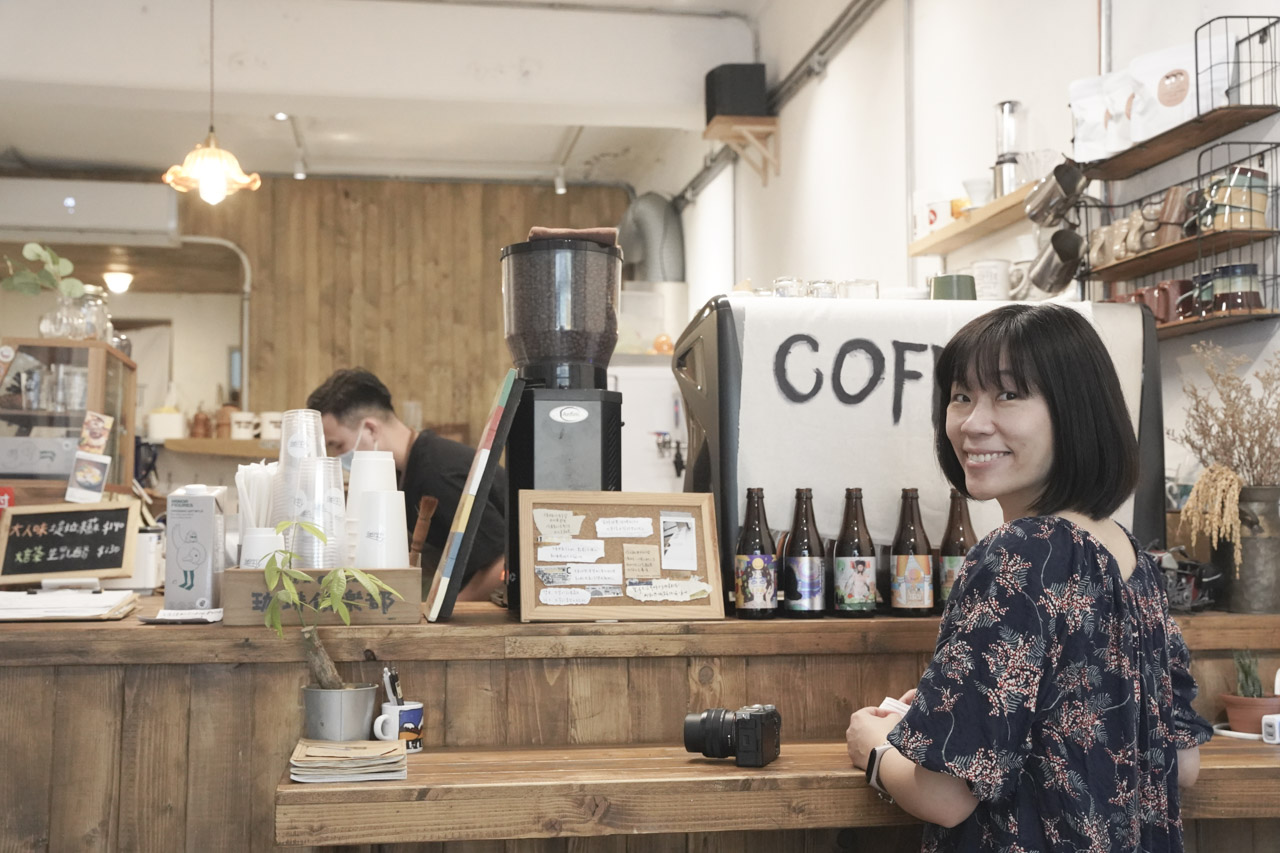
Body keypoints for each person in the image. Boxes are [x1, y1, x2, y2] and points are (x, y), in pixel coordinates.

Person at [846, 304, 1212, 851]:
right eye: (961, 396)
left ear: (1075, 411)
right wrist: (936, 719)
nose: (972, 423)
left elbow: (945, 798)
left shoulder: (1020, 553)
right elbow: (1182, 764)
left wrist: (875, 746)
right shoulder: (1127, 553)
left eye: (1008, 395)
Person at [307, 368, 507, 601]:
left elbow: (501, 564)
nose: (337, 457)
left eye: (338, 446)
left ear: (370, 430)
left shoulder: (437, 473)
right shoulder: (408, 469)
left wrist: (439, 615)